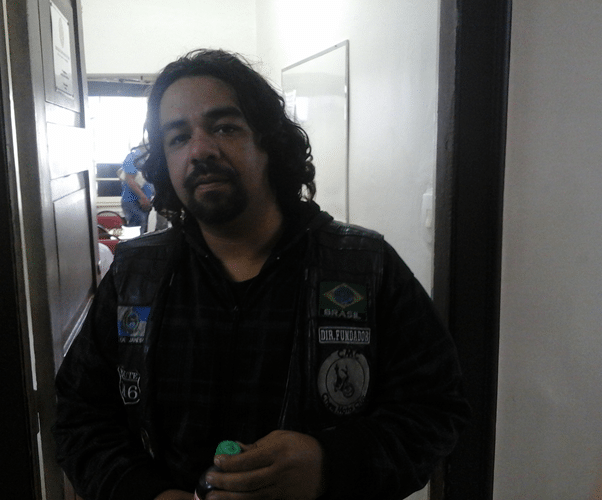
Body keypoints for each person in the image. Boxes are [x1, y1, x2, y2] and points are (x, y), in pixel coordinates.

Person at [53, 49, 470, 500]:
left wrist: (330, 464)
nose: (200, 150)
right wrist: (146, 493)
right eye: (178, 137)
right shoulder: (134, 276)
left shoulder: (366, 266)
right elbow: (79, 416)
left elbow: (435, 410)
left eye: (224, 127)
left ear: (269, 142)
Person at [120, 143, 154, 233]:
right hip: (133, 201)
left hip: (144, 201)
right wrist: (142, 197)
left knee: (142, 231)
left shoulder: (147, 158)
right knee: (136, 231)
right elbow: (130, 180)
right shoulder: (133, 157)